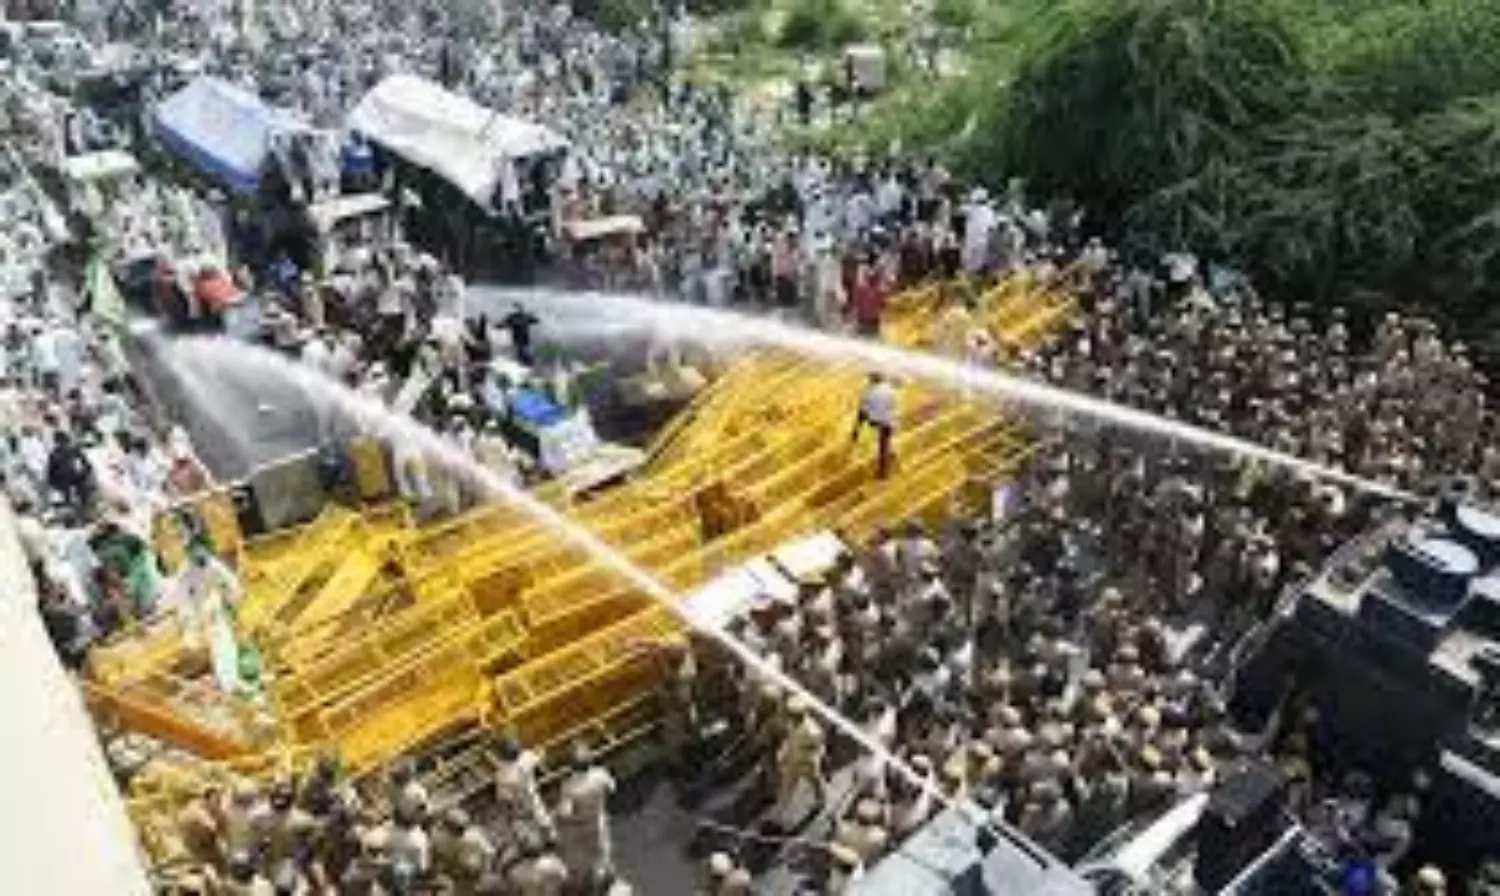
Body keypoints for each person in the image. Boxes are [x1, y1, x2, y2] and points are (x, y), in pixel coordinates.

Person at [852, 373, 897, 479]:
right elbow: (893, 407)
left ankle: (884, 469)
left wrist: (856, 429)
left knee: (883, 442)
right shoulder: (890, 390)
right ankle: (885, 467)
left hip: (875, 420)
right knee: (885, 443)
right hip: (887, 422)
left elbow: (862, 412)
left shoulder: (869, 392)